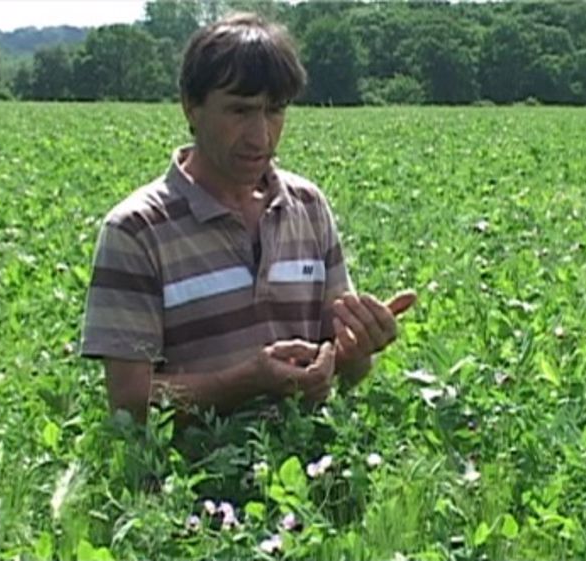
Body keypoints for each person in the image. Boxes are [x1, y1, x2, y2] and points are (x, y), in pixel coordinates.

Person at [79, 12, 416, 423]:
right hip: (195, 466)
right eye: (239, 111)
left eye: (274, 111)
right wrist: (247, 382)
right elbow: (129, 402)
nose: (260, 136)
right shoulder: (137, 230)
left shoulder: (308, 207)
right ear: (191, 107)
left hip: (307, 459)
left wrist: (356, 350)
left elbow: (345, 368)